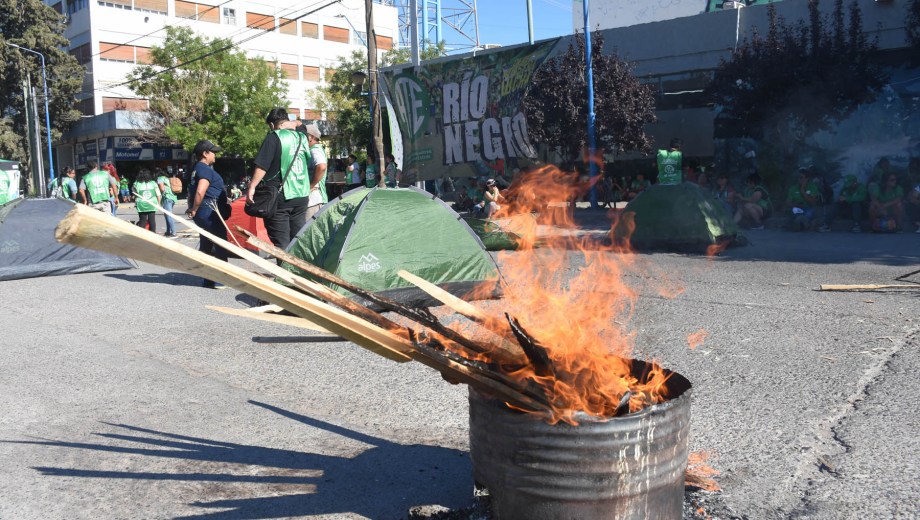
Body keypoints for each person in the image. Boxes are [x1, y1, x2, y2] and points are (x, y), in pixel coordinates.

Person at [247, 107, 311, 250]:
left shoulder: (274, 137)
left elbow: (262, 166)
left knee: (282, 244)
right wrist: (293, 123)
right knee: (296, 241)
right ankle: (297, 272)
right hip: (301, 196)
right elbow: (302, 125)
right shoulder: (302, 137)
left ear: (271, 124)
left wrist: (252, 187)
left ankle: (284, 271)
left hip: (280, 198)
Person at [187, 139, 229, 288]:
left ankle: (208, 278)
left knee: (206, 244)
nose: (215, 155)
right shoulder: (204, 169)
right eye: (213, 152)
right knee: (220, 245)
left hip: (204, 211)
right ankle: (221, 278)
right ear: (205, 154)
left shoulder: (196, 168)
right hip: (210, 212)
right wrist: (194, 209)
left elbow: (194, 192)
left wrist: (193, 208)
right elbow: (200, 191)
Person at [304, 123, 328, 220]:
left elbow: (322, 166)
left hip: (314, 201)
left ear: (311, 137)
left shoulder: (315, 150)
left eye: (303, 135)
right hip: (313, 201)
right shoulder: (313, 150)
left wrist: (311, 185)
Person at [133, 168, 160, 233]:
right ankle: (153, 234)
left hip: (141, 204)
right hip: (152, 203)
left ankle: (143, 235)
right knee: (152, 220)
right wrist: (158, 204)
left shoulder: (136, 183)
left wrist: (135, 202)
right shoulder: (153, 183)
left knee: (142, 220)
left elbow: (135, 195)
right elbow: (158, 194)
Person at [156, 167, 178, 237]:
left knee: (168, 215)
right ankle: (168, 231)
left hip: (167, 197)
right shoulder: (167, 178)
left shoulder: (160, 178)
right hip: (173, 197)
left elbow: (162, 189)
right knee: (167, 215)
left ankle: (173, 232)